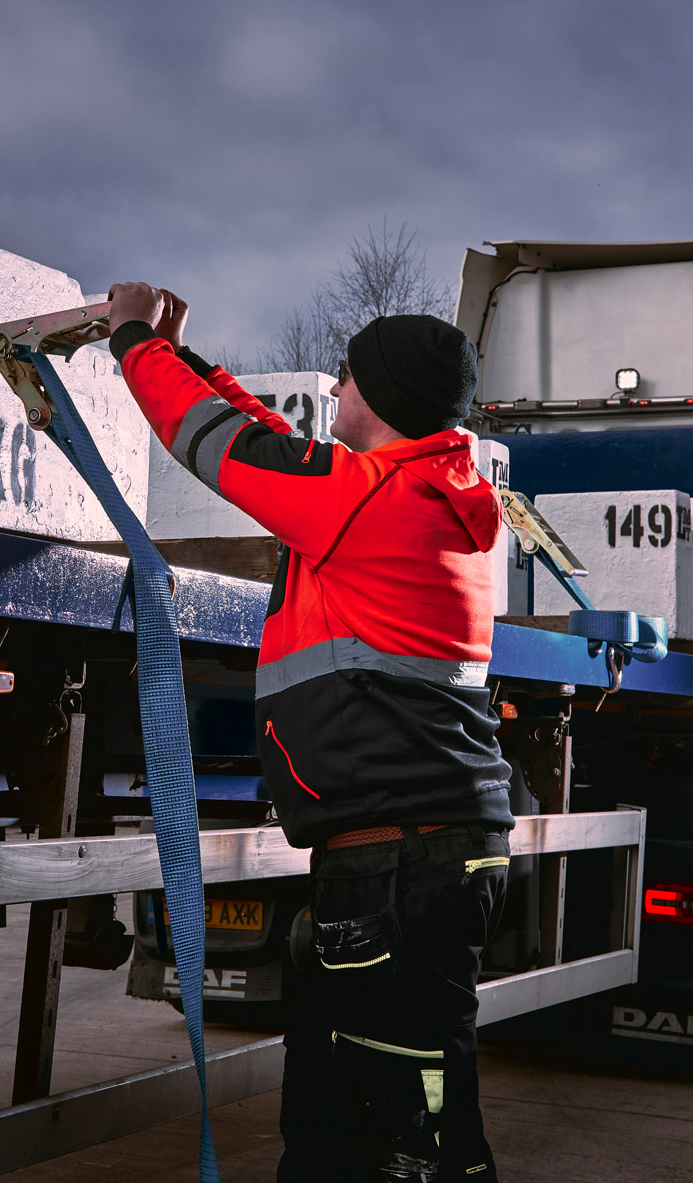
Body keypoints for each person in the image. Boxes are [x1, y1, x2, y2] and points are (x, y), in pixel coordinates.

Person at [99, 283, 513, 1183]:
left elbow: (222, 448)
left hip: (396, 863)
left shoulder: (370, 500)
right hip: (412, 854)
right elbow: (275, 445)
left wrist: (133, 339)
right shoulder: (423, 493)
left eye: (350, 381)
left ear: (388, 400)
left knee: (407, 1137)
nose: (336, 393)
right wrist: (190, 356)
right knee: (344, 1114)